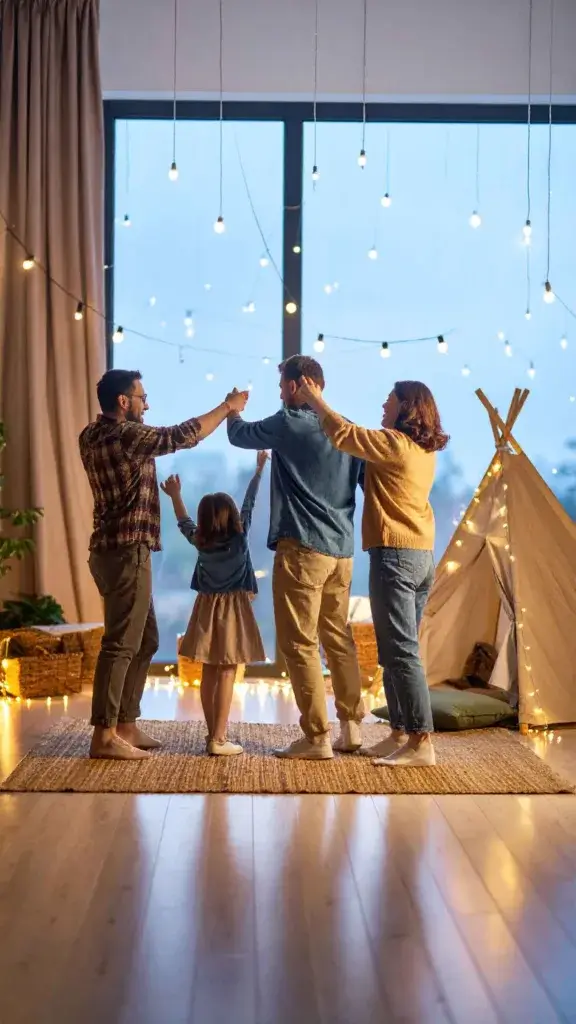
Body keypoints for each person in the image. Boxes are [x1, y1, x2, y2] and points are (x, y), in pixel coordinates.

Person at [79, 368, 249, 760]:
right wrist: (227, 407)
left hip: (107, 552)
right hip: (127, 552)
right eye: (141, 397)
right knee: (121, 643)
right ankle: (104, 736)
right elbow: (182, 435)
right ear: (124, 402)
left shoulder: (90, 435)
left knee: (147, 638)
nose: (147, 404)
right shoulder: (127, 436)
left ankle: (125, 724)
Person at [298, 377, 448, 768]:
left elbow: (346, 435)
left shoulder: (395, 444)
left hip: (396, 556)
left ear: (406, 408)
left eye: (389, 401)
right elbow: (370, 470)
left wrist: (316, 399)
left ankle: (420, 741)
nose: (383, 407)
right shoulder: (419, 449)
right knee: (395, 650)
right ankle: (400, 731)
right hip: (419, 557)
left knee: (400, 653)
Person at [227, 355, 364, 760]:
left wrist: (232, 409)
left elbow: (240, 435)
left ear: (295, 385)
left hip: (303, 549)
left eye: (282, 386)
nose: (281, 393)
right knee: (338, 639)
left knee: (300, 644)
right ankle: (351, 728)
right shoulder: (346, 430)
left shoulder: (288, 422)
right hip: (342, 553)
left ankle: (317, 737)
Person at [160, 453, 268, 755]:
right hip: (234, 608)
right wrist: (258, 471)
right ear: (232, 515)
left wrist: (175, 495)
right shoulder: (240, 536)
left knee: (209, 669)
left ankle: (213, 735)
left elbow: (184, 522)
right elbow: (250, 502)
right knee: (227, 670)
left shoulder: (200, 540)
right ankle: (219, 739)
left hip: (206, 608)